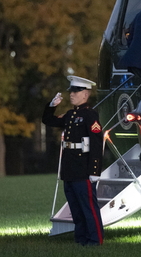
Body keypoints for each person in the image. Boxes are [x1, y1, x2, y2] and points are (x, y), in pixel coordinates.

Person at [42, 75, 104, 246]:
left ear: (86, 94)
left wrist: (94, 171)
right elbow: (48, 120)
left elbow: (97, 144)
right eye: (72, 91)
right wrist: (51, 106)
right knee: (75, 208)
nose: (72, 94)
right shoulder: (70, 115)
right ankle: (81, 239)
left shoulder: (90, 116)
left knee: (88, 208)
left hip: (83, 168)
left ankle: (95, 240)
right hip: (70, 168)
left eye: (77, 91)